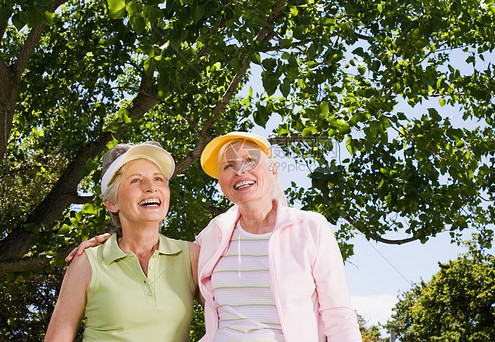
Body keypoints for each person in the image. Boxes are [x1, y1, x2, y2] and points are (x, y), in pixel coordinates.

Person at [196, 132, 361, 341]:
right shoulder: (212, 235)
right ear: (222, 186)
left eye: (249, 160)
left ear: (273, 171)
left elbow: (339, 318)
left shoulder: (311, 227)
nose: (239, 170)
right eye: (228, 166)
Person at [45, 142, 199, 342]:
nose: (151, 187)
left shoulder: (191, 257)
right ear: (111, 203)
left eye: (158, 179)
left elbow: (235, 317)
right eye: (136, 180)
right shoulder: (87, 262)